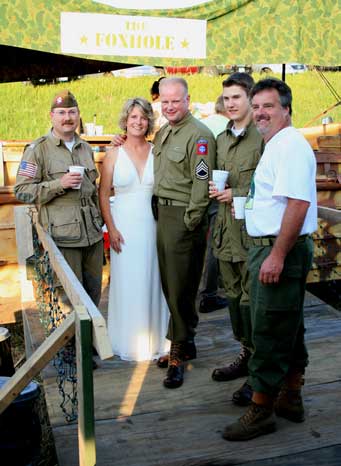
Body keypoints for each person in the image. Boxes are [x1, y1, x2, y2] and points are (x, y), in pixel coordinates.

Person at [223, 78, 317, 441]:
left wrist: (276, 255)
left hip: (281, 246)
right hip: (272, 245)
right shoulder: (277, 144)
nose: (261, 113)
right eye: (257, 106)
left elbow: (298, 203)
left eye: (269, 106)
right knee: (288, 325)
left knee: (269, 328)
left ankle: (261, 409)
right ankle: (291, 397)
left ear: (287, 109)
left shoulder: (290, 146)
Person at [112, 78, 216, 388]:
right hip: (162, 214)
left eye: (176, 101)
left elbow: (201, 184)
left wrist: (191, 221)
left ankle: (178, 354)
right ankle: (188, 338)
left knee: (179, 286)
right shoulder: (167, 132)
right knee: (171, 283)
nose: (170, 106)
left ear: (188, 100)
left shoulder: (199, 135)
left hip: (183, 215)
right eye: (165, 102)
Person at [14, 90, 104, 310]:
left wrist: (99, 220)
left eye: (72, 112)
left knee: (93, 295)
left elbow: (93, 190)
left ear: (78, 115)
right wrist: (59, 184)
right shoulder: (38, 150)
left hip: (92, 236)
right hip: (63, 237)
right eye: (61, 112)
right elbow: (22, 190)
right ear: (51, 116)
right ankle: (71, 344)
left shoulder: (85, 148)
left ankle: (89, 343)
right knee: (69, 299)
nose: (67, 117)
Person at [99, 98, 169, 361]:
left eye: (143, 117)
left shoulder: (157, 151)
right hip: (124, 228)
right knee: (128, 282)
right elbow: (103, 194)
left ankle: (157, 338)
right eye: (133, 117)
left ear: (148, 121)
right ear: (125, 121)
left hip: (153, 226)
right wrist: (111, 228)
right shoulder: (114, 153)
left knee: (154, 279)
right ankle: (127, 340)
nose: (138, 122)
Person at [209, 73, 263, 406]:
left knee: (251, 302)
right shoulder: (221, 138)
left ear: (250, 98)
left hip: (251, 235)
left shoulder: (263, 137)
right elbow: (207, 173)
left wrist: (236, 192)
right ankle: (245, 353)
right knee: (232, 298)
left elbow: (270, 185)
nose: (230, 103)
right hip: (225, 233)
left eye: (236, 98)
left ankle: (259, 373)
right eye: (226, 98)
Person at [198, 95, 229, 313]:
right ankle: (209, 294)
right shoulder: (227, 128)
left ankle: (195, 290)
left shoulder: (201, 124)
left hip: (196, 192)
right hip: (218, 192)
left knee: (198, 243)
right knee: (214, 245)